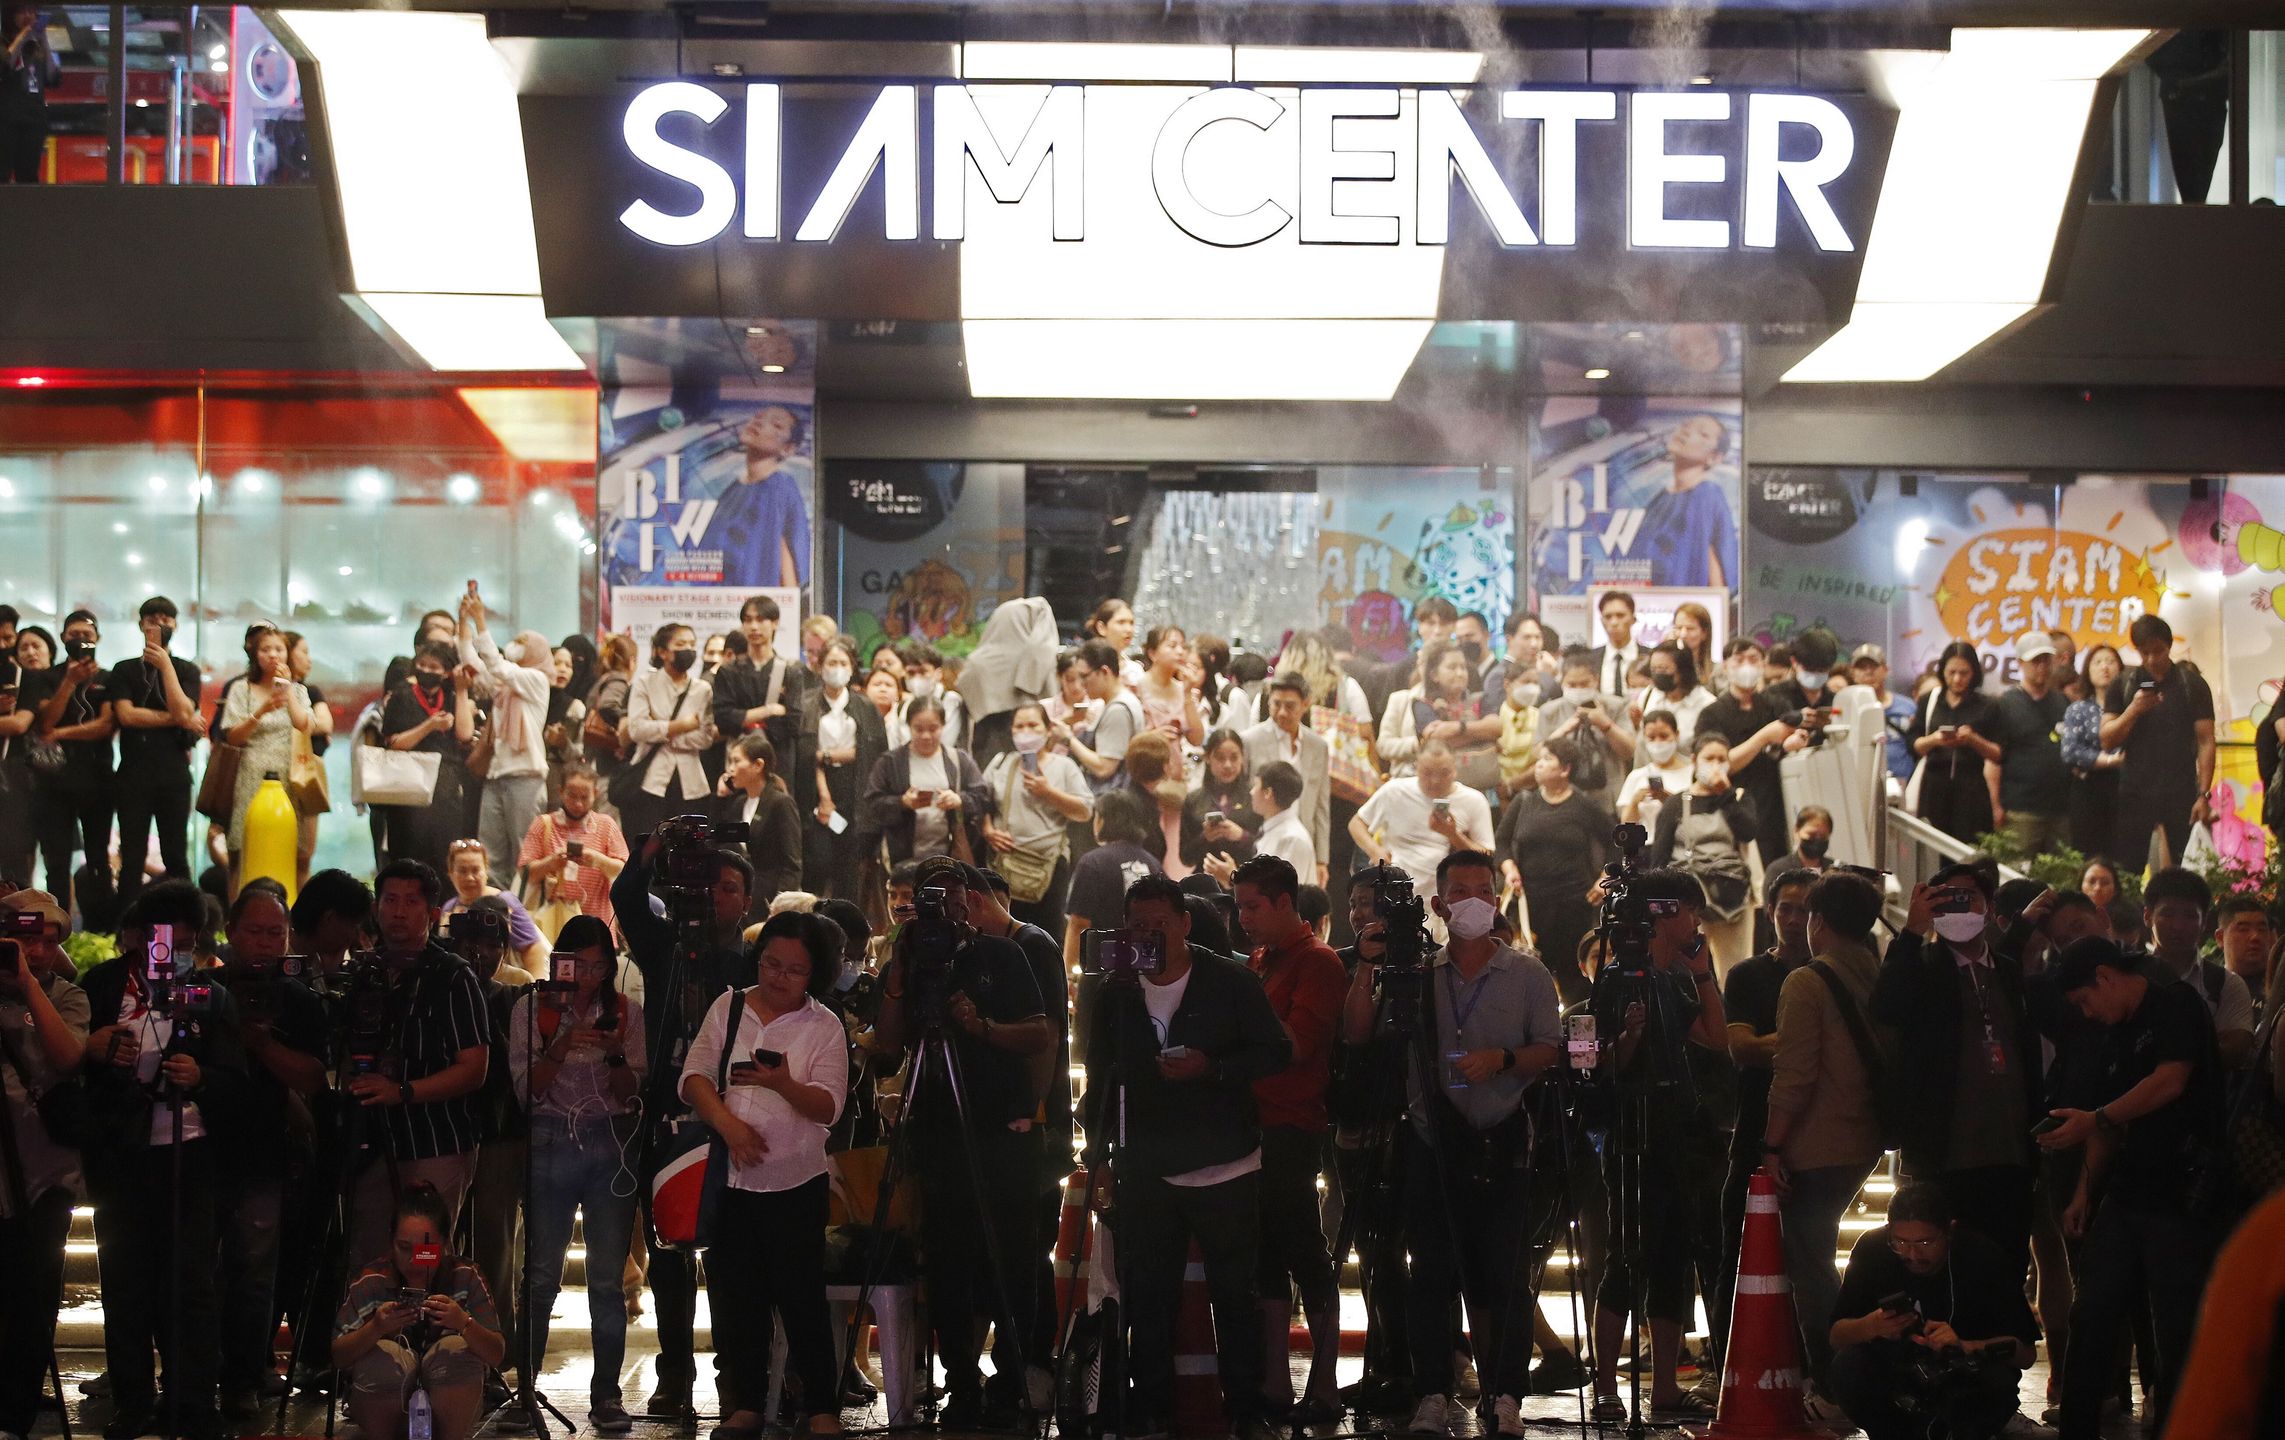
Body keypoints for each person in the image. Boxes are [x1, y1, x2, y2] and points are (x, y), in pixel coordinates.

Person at [1342, 851, 1561, 1438]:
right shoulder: (1417, 975)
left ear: (1496, 900)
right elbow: (1358, 1033)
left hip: (1503, 1137)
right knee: (1430, 1273)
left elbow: (1551, 1049)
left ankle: (1506, 1393)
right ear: (1437, 904)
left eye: (1482, 891)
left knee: (1505, 1273)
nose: (1472, 901)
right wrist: (1368, 966)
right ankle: (1432, 1392)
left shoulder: (1529, 975)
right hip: (1428, 1139)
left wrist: (1505, 1060)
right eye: (1458, 891)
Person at [1084, 873, 1290, 1440]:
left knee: (1235, 1295)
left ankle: (1245, 1408)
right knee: (1149, 1294)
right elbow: (1099, 1076)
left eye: (1158, 925)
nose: (1147, 936)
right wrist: (1097, 1155)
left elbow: (1277, 1050)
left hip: (1226, 1162)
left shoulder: (1228, 981)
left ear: (1185, 924)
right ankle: (1152, 1407)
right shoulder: (1116, 990)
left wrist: (1213, 1067)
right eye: (1136, 926)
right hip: (1146, 1165)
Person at [873, 859, 1055, 1426]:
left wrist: (982, 1029)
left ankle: (1011, 1377)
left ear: (968, 900)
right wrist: (900, 976)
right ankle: (960, 1381)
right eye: (927, 903)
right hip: (937, 1132)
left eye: (949, 901)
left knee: (1011, 1257)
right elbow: (886, 1049)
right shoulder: (909, 959)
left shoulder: (1001, 954)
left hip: (999, 1129)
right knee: (947, 1261)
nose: (941, 914)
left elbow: (1039, 1032)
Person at [79, 881, 248, 1440]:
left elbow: (235, 1081)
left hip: (189, 1154)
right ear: (137, 938)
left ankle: (194, 1403)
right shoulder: (101, 989)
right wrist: (101, 1052)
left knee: (191, 1282)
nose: (173, 955)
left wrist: (201, 1078)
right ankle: (132, 1401)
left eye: (187, 943)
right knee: (125, 1281)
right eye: (163, 941)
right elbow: (70, 1070)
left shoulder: (209, 995)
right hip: (120, 1156)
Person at [2036, 936, 2223, 1440]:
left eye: (2085, 1001)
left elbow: (2170, 1081)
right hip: (2126, 1190)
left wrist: (2096, 1118)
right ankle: (2078, 1424)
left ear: (2104, 976)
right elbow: (2107, 1126)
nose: (2088, 1013)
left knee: (2174, 1322)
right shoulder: (2114, 1033)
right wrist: (2083, 1193)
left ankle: (2181, 1425)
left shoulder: (2174, 1003)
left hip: (2179, 1191)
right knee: (2092, 1309)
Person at [677, 911, 845, 1434]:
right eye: (771, 963)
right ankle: (744, 1403)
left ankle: (821, 1407)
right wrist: (730, 1127)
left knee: (801, 1298)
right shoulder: (728, 1007)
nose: (778, 976)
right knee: (734, 1296)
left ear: (814, 974)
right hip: (730, 1179)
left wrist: (782, 1084)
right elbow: (694, 1077)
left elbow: (829, 1108)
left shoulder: (824, 1025)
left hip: (796, 1182)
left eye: (794, 970)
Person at [610, 837, 756, 1418]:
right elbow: (625, 897)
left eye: (729, 888)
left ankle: (733, 1380)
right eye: (706, 885)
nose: (715, 897)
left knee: (730, 1261)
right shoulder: (664, 949)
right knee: (669, 1256)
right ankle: (674, 1378)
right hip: (665, 1119)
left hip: (732, 1121)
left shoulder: (754, 963)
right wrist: (652, 849)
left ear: (746, 901)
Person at [1587, 869, 1729, 1422]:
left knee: (1672, 1260)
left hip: (1677, 1133)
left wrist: (1706, 976)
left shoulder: (1674, 981)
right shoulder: (1617, 981)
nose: (1696, 923)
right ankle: (1605, 1386)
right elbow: (1593, 1063)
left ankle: (1664, 1387)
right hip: (1629, 1134)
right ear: (1667, 912)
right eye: (1691, 911)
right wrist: (1628, 1040)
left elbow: (1716, 1042)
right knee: (1622, 1261)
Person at [505, 915, 646, 1434]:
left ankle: (607, 1396)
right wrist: (562, 1043)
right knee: (540, 1275)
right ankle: (526, 1391)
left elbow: (634, 1095)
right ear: (559, 962)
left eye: (598, 965)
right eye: (577, 964)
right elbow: (527, 1092)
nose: (587, 976)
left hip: (610, 1143)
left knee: (607, 1281)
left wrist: (612, 1054)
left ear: (611, 966)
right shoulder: (530, 1010)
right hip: (547, 1141)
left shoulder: (626, 1012)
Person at [1871, 864, 2042, 1278]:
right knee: (1939, 1272)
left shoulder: (2007, 971)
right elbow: (1885, 1006)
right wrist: (1913, 930)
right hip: (1942, 1153)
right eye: (1947, 897)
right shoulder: (1922, 964)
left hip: (2010, 1152)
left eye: (1969, 897)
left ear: (1988, 906)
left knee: (2008, 1267)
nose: (1960, 906)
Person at [1760, 870, 1890, 1402]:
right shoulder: (1878, 973)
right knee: (1817, 1258)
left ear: (1818, 920)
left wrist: (1770, 1146)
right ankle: (1845, 1370)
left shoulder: (1807, 980)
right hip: (1864, 1137)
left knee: (1810, 1264)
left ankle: (1835, 1379)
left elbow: (1794, 1074)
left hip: (1816, 1143)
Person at [1229, 855, 1348, 1421]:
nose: (1244, 918)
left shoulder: (1317, 962)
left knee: (1303, 1249)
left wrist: (1244, 1005)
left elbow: (1299, 1045)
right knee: (1267, 1259)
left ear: (1283, 903)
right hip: (1250, 1123)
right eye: (1239, 907)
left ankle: (1323, 1388)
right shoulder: (1262, 960)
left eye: (1253, 906)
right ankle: (1277, 1384)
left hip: (1291, 1123)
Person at [211, 886, 331, 1419]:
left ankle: (244, 1378)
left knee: (256, 1274)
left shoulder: (299, 999)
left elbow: (314, 1077)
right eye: (254, 931)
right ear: (231, 933)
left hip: (265, 1153)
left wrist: (260, 1043)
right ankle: (192, 1376)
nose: (263, 943)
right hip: (199, 1151)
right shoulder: (204, 990)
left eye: (274, 933)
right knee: (197, 1271)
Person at [345, 860, 493, 1265]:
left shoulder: (454, 977)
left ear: (431, 913)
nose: (398, 911)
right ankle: (380, 1328)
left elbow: (474, 1068)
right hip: (371, 1143)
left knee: (426, 1258)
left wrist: (402, 1092)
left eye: (411, 902)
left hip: (436, 1141)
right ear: (376, 908)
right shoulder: (361, 973)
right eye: (390, 900)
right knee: (371, 1256)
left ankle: (431, 1327)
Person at [1826, 1183, 2040, 1440]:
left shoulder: (1982, 1255)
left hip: (1964, 1373)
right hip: (1898, 1371)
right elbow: (1837, 1336)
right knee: (1848, 1367)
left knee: (1993, 1382)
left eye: (1925, 1242)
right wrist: (1871, 1326)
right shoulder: (1873, 1249)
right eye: (1900, 1242)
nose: (1913, 1254)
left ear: (1949, 1231)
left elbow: (2025, 1354)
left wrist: (1965, 1345)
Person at [0, 888, 89, 1440]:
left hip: (47, 1175)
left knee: (35, 1298)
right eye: (24, 938)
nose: (35, 950)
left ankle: (14, 1415)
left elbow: (68, 1057)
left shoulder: (70, 998)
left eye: (48, 941)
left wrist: (30, 987)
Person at [1717, 869, 1816, 1357]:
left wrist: (1772, 1043)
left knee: (1809, 1254)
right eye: (1786, 909)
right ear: (1770, 912)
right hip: (1755, 1124)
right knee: (1733, 1250)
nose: (1795, 920)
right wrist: (1805, 1045)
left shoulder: (1831, 974)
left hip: (1818, 1132)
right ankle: (1726, 1361)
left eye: (1805, 910)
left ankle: (1807, 1363)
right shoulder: (1749, 975)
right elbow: (1742, 1048)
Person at [332, 1182, 507, 1440]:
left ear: (445, 1244)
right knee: (385, 1355)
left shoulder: (465, 1277)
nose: (414, 1258)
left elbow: (496, 1354)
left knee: (455, 1351)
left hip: (451, 1409)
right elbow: (338, 1355)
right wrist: (376, 1329)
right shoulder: (372, 1280)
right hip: (385, 1411)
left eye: (426, 1250)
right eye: (404, 1247)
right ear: (390, 1241)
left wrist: (464, 1323)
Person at [1496, 736, 1615, 1006]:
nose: (1538, 766)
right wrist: (1509, 868)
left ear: (1565, 769)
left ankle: (1579, 1042)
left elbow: (1613, 842)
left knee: (1575, 980)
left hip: (1574, 905)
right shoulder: (1524, 802)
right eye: (1538, 760)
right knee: (1532, 980)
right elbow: (1501, 843)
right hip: (1532, 907)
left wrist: (1605, 878)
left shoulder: (1583, 805)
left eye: (1547, 760)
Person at [2098, 614, 2215, 872]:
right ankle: (2130, 913)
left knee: (2186, 869)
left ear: (2169, 646)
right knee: (2128, 870)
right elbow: (2106, 739)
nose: (2151, 659)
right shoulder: (2123, 684)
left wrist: (2204, 794)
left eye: (2158, 651)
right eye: (2144, 652)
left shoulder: (2191, 684)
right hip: (2134, 791)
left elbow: (2206, 741)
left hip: (2181, 790)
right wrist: (2134, 709)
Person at [107, 596, 203, 906]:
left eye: (166, 619)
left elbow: (184, 710)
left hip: (174, 774)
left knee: (176, 854)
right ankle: (125, 933)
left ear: (176, 625)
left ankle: (188, 926)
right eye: (152, 618)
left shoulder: (187, 670)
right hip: (133, 775)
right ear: (140, 625)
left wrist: (164, 666)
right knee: (131, 855)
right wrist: (175, 718)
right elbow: (126, 715)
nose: (159, 624)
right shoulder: (123, 670)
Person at [457, 587, 554, 890]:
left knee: (525, 853)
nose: (515, 645)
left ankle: (525, 917)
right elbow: (474, 663)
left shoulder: (536, 680)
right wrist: (464, 623)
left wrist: (481, 621)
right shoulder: (504, 687)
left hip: (525, 778)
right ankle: (496, 915)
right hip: (496, 776)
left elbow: (496, 665)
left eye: (523, 643)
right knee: (492, 854)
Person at [978, 702, 1093, 938]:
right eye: (1019, 726)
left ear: (1048, 729)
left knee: (1047, 937)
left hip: (1048, 868)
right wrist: (988, 829)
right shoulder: (1002, 762)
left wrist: (1048, 792)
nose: (1026, 732)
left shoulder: (1064, 766)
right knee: (1002, 937)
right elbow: (980, 799)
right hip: (1005, 866)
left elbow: (1084, 811)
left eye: (1033, 725)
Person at [24, 609, 115, 905]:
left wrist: (62, 734)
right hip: (54, 784)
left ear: (98, 639)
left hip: (98, 779)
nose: (80, 641)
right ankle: (59, 932)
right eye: (74, 635)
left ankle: (100, 929)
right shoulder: (46, 677)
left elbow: (105, 725)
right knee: (57, 862)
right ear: (63, 638)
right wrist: (69, 682)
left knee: (98, 858)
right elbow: (46, 723)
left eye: (87, 636)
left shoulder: (108, 678)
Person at [1647, 732, 1760, 973]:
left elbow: (1748, 831)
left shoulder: (1738, 797)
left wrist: (1726, 795)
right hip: (1687, 898)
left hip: (1731, 895)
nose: (1716, 765)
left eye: (1722, 759)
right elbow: (1659, 858)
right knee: (1687, 970)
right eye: (1710, 758)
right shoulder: (1675, 804)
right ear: (1695, 760)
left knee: (1735, 969)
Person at [1694, 638, 1801, 865]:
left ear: (1763, 664)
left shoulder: (1777, 706)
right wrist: (1763, 737)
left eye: (1753, 659)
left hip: (1775, 809)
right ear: (1725, 666)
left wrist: (1795, 742)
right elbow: (1718, 765)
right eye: (1739, 660)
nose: (1746, 666)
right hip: (1729, 809)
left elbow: (1791, 748)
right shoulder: (1712, 714)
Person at [219, 624, 314, 879]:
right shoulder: (241, 688)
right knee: (243, 852)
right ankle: (237, 915)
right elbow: (233, 736)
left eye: (279, 649)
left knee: (287, 850)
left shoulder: (300, 690)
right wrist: (262, 710)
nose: (272, 655)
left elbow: (304, 725)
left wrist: (288, 690)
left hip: (289, 776)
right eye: (265, 649)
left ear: (287, 654)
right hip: (250, 774)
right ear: (255, 654)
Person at [1350, 741, 1496, 901]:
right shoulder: (1394, 791)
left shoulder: (1473, 800)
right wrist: (1375, 851)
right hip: (1397, 893)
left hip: (1449, 898)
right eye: (1427, 773)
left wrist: (1454, 835)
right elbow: (1357, 823)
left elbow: (1486, 858)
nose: (1435, 780)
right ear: (1416, 767)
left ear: (1455, 769)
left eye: (1444, 773)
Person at [2139, 866, 2254, 1067]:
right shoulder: (2130, 975)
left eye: (2190, 916)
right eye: (2168, 914)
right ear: (2148, 916)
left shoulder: (2226, 984)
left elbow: (2237, 1051)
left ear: (2204, 922)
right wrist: (2206, 1040)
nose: (2178, 926)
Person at [381, 641, 477, 877]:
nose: (426, 671)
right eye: (422, 665)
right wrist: (429, 725)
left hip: (445, 790)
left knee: (443, 860)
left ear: (445, 672)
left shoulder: (452, 696)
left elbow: (464, 734)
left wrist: (463, 690)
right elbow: (393, 744)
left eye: (433, 667)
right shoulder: (402, 696)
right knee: (408, 859)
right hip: (407, 790)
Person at [863, 697, 988, 867]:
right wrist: (902, 803)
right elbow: (871, 805)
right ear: (909, 727)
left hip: (948, 857)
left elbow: (982, 797)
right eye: (918, 729)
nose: (926, 736)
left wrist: (959, 800)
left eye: (933, 729)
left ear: (943, 726)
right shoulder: (890, 762)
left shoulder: (959, 760)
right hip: (901, 858)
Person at [620, 623, 715, 841]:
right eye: (681, 644)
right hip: (651, 780)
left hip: (691, 782)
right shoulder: (645, 683)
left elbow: (705, 736)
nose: (688, 649)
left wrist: (663, 731)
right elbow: (637, 729)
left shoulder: (702, 689)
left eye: (692, 644)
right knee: (650, 849)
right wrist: (682, 726)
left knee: (689, 850)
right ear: (662, 651)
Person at [515, 764, 629, 936]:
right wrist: (551, 863)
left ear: (595, 794)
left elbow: (625, 870)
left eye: (584, 797)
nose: (578, 803)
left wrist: (597, 860)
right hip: (551, 926)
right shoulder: (543, 824)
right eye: (572, 796)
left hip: (597, 926)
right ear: (560, 792)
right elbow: (525, 873)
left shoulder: (606, 825)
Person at [1241, 673, 1332, 888]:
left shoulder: (1317, 745)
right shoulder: (1250, 740)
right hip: (1264, 838)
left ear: (1305, 704)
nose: (1281, 712)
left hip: (1303, 840)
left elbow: (1321, 804)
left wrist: (1322, 859)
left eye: (1290, 706)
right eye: (1276, 704)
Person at [1985, 631, 2073, 854]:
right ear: (2020, 663)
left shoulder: (2062, 702)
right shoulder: (2005, 704)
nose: (2042, 666)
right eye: (2035, 661)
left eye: (2046, 660)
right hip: (2020, 809)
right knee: (2016, 875)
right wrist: (1996, 806)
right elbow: (1993, 762)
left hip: (2059, 809)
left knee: (2061, 875)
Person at [1906, 641, 2000, 845]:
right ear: (1942, 671)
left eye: (1964, 673)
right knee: (1931, 852)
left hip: (1971, 790)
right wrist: (1935, 739)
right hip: (1933, 788)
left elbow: (1998, 753)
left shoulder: (1987, 706)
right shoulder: (1928, 701)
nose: (1957, 679)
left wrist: (1973, 740)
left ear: (1974, 673)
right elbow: (1913, 744)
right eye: (1952, 672)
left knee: (1969, 852)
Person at [1063, 788, 1165, 967]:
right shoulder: (1153, 864)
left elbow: (1079, 924)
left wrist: (1069, 974)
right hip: (1147, 965)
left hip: (1101, 967)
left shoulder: (1093, 862)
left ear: (1102, 820)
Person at [1638, 414, 1738, 587]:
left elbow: (1714, 562)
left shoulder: (1706, 496)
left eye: (1703, 434)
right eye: (1685, 425)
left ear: (1714, 458)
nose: (1687, 432)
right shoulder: (1660, 499)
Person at [1534, 648, 1637, 809]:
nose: (1578, 689)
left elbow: (1629, 751)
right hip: (1560, 797)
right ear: (1562, 682)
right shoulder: (1549, 711)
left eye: (1584, 684)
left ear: (1596, 680)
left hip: (1607, 797)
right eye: (1572, 684)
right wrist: (1563, 731)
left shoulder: (1616, 706)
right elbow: (1538, 754)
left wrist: (1606, 725)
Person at [440, 838, 551, 976]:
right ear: (451, 873)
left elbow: (532, 947)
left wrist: (536, 989)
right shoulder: (449, 908)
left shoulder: (504, 902)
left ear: (486, 870)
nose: (469, 878)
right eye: (462, 871)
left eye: (476, 870)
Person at [714, 732, 802, 906]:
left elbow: (792, 864)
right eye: (730, 761)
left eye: (737, 761)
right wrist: (720, 797)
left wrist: (779, 907)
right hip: (741, 897)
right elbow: (719, 843)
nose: (730, 768)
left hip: (769, 899)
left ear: (758, 765)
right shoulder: (739, 803)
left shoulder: (780, 803)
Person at [2058, 644, 2124, 863]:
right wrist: (2110, 760)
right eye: (2097, 662)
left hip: (2125, 790)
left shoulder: (2131, 708)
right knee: (2087, 857)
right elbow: (2070, 752)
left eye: (2110, 661)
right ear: (2087, 670)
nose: (2104, 667)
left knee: (2122, 856)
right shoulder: (2078, 709)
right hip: (2088, 792)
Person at [1378, 640, 1478, 779]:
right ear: (1433, 673)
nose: (1460, 673)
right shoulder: (1401, 700)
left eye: (1463, 667)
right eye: (1452, 667)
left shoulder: (1476, 703)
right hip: (1410, 780)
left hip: (1466, 780)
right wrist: (1418, 744)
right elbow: (1384, 746)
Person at [1181, 727, 1261, 874]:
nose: (1227, 765)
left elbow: (1268, 848)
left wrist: (1241, 836)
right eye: (1220, 758)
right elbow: (1186, 857)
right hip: (1205, 884)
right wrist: (1205, 837)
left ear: (1243, 757)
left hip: (1247, 881)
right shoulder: (1194, 800)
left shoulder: (1255, 796)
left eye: (1234, 757)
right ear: (1208, 758)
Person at [2, 3, 59, 184]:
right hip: (7, 117)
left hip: (34, 116)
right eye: (22, 12)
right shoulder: (4, 40)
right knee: (3, 170)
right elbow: (4, 65)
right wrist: (22, 38)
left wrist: (45, 43)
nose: (28, 16)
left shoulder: (40, 45)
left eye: (32, 12)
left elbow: (53, 77)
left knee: (28, 173)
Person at [584, 633, 639, 810]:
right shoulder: (618, 681)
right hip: (607, 766)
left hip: (596, 762)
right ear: (631, 661)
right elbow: (608, 706)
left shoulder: (604, 679)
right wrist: (624, 724)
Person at [2213, 894, 2275, 1012]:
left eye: (2261, 930)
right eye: (2243, 929)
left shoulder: (2279, 986)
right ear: (2220, 938)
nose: (2255, 937)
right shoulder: (2208, 987)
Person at [1764, 806, 1836, 894]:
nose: (1817, 840)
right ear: (1796, 831)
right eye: (1811, 835)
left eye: (1823, 836)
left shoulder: (1836, 870)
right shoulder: (1778, 870)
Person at [1590, 591, 1641, 699]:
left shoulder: (1649, 657)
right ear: (1601, 621)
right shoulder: (1590, 659)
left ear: (1633, 618)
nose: (1614, 622)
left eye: (1620, 615)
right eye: (1608, 617)